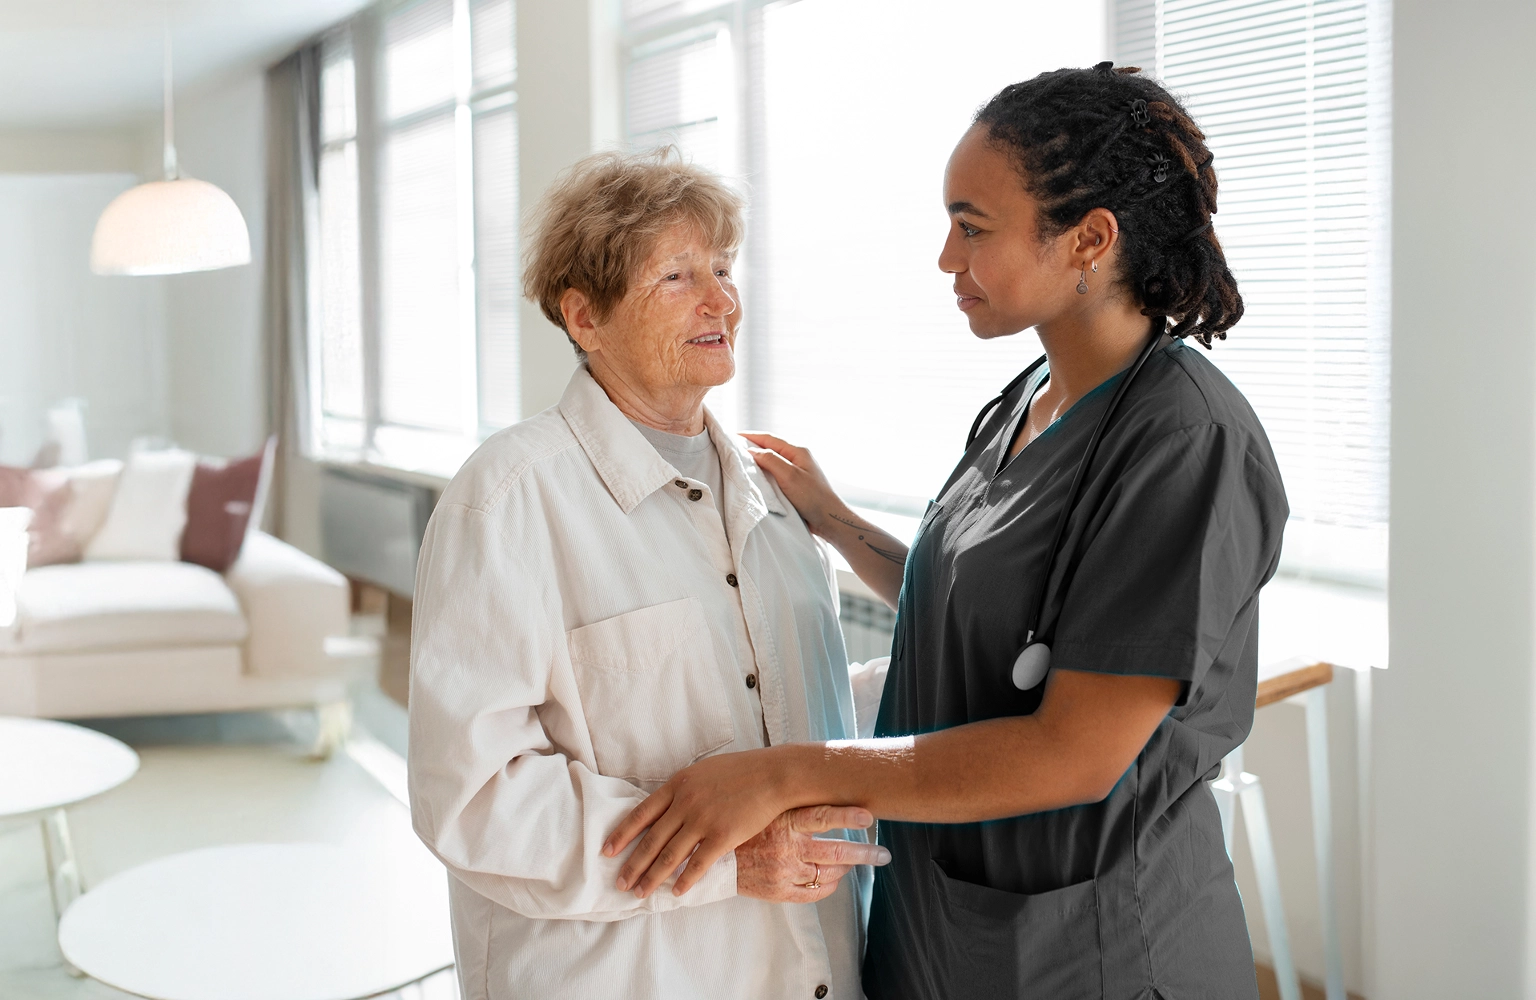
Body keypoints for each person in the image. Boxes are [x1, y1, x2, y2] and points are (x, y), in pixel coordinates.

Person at [603, 64, 1290, 999]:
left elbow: (1073, 752)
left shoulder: (1184, 443)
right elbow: (998, 614)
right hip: (945, 923)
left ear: (1088, 240)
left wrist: (780, 775)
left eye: (972, 228)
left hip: (1095, 949)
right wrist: (841, 525)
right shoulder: (1028, 400)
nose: (944, 258)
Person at [406, 149, 888, 1000]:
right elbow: (474, 796)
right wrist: (726, 861)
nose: (721, 300)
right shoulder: (510, 499)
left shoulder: (777, 502)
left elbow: (788, 710)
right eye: (676, 275)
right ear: (585, 317)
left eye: (724, 269)